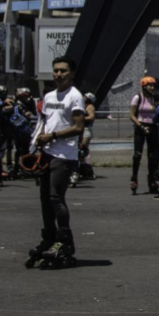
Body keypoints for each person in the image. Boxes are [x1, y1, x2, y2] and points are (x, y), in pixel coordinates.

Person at [25, 55, 86, 266]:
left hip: (65, 155)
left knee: (55, 197)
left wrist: (52, 136)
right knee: (45, 199)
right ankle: (49, 239)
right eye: (56, 70)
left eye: (63, 71)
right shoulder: (50, 96)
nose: (59, 74)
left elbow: (79, 128)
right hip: (47, 153)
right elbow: (46, 123)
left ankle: (64, 242)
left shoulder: (75, 97)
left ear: (72, 74)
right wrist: (38, 143)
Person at [130, 76, 158, 195]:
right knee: (137, 155)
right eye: (149, 85)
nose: (152, 88)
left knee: (152, 156)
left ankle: (152, 180)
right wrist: (141, 127)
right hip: (140, 126)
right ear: (144, 86)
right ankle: (134, 178)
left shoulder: (154, 98)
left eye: (153, 85)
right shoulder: (138, 97)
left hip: (152, 127)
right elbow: (132, 115)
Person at [71, 92, 97, 187]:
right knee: (78, 151)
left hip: (86, 130)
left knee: (81, 150)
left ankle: (84, 171)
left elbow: (91, 116)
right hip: (80, 129)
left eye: (85, 97)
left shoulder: (90, 106)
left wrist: (81, 118)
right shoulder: (81, 105)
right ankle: (83, 170)